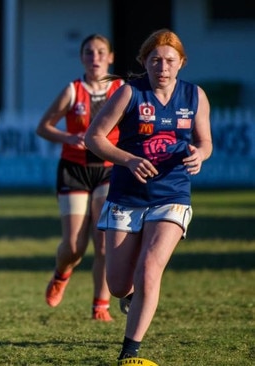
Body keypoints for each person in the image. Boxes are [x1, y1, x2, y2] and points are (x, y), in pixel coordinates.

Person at [84, 29, 212, 361]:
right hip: (126, 197)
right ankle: (132, 297)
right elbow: (94, 138)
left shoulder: (195, 96)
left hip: (172, 194)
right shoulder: (129, 93)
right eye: (155, 60)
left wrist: (200, 154)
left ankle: (130, 353)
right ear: (144, 62)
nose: (163, 67)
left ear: (181, 63)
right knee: (117, 285)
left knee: (150, 269)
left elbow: (206, 141)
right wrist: (128, 159)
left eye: (170, 60)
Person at [35, 34, 123, 322]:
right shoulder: (73, 90)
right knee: (74, 245)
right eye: (89, 52)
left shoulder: (122, 89)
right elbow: (43, 127)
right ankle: (61, 274)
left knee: (103, 241)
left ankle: (100, 305)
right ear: (82, 58)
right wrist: (67, 136)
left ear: (110, 57)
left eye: (100, 52)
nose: (95, 57)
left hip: (109, 169)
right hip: (74, 170)